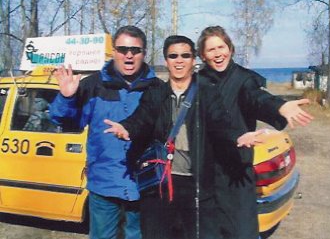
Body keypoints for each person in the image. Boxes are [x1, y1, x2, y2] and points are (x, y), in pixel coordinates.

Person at [103, 35, 261, 239]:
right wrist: (127, 128)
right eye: (173, 55)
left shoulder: (207, 92)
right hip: (161, 184)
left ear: (194, 60)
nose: (179, 60)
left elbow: (220, 123)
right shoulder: (156, 92)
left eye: (185, 55)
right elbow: (141, 118)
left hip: (196, 185)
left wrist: (237, 137)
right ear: (166, 60)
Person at [197, 25, 314, 239]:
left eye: (221, 47)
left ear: (230, 49)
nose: (218, 54)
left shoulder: (243, 78)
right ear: (203, 55)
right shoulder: (198, 82)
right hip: (204, 171)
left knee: (242, 231)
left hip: (237, 170)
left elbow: (257, 97)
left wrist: (279, 106)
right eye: (211, 50)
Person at [49, 25, 162, 239]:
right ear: (113, 52)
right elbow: (66, 122)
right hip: (104, 183)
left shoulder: (157, 88)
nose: (129, 56)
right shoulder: (93, 85)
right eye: (122, 49)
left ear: (144, 53)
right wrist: (66, 98)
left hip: (143, 184)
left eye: (135, 50)